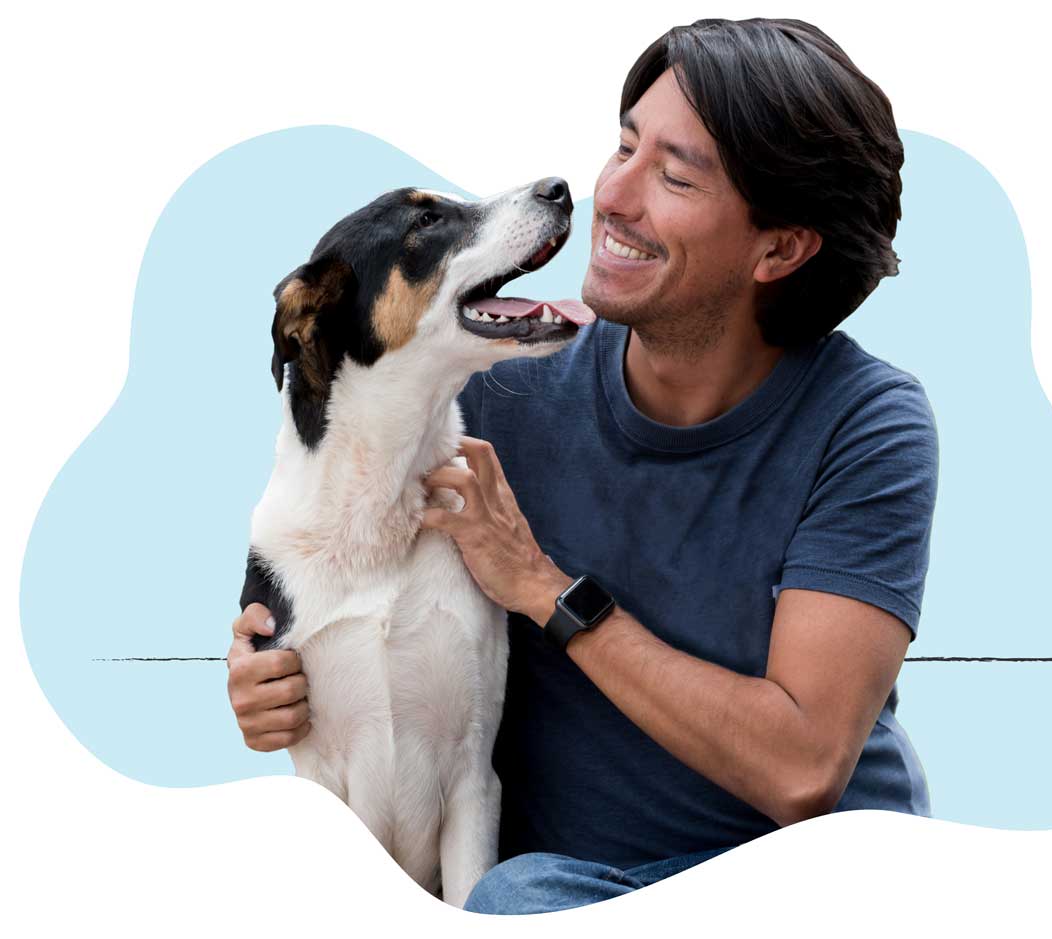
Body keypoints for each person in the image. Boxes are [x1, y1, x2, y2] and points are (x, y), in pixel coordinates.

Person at [226, 17, 938, 915]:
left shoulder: (868, 423)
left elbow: (802, 768)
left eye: (675, 175)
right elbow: (351, 604)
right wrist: (273, 685)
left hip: (810, 886)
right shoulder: (495, 383)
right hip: (565, 893)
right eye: (624, 145)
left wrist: (543, 588)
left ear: (780, 248)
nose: (614, 194)